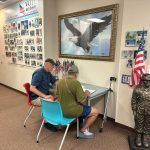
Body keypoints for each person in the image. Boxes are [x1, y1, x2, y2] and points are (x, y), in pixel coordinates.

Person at [56, 64, 99, 138]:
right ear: (76, 74)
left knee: (81, 107)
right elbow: (82, 100)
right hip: (72, 111)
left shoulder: (60, 81)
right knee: (95, 112)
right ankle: (83, 130)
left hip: (60, 110)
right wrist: (85, 93)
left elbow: (57, 95)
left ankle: (78, 121)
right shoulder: (76, 83)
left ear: (68, 73)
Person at [30, 58, 58, 131]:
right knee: (50, 100)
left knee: (57, 97)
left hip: (44, 95)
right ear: (47, 65)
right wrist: (45, 96)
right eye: (52, 67)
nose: (53, 68)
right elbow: (32, 88)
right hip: (35, 98)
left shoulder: (48, 72)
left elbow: (55, 81)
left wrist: (62, 84)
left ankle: (53, 118)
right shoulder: (39, 73)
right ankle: (47, 123)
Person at [131, 73, 150, 148]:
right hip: (140, 110)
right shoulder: (137, 89)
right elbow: (134, 100)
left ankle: (145, 137)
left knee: (147, 124)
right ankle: (138, 136)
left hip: (149, 111)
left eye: (149, 81)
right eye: (145, 81)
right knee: (139, 123)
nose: (147, 82)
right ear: (142, 81)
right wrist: (134, 110)